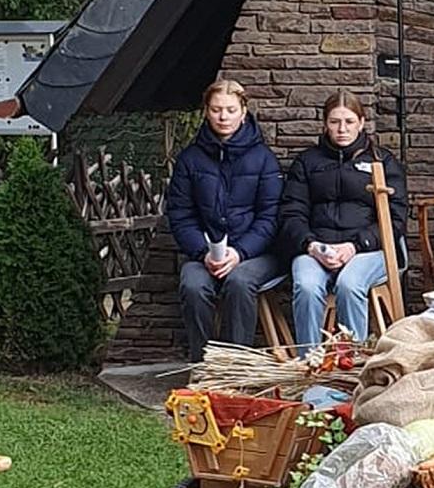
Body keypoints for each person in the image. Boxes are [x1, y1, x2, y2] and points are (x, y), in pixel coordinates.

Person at [166, 80, 283, 361]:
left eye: (231, 110)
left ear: (243, 112)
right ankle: (203, 364)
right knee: (193, 285)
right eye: (217, 109)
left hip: (256, 253)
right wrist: (203, 252)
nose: (223, 117)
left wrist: (239, 252)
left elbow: (271, 216)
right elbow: (180, 215)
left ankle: (236, 364)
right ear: (206, 111)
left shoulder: (264, 159)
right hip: (204, 253)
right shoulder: (190, 160)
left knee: (240, 282)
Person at [279, 91, 407, 347]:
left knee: (350, 284)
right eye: (335, 122)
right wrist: (311, 246)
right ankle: (310, 364)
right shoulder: (307, 162)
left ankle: (353, 362)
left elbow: (396, 218)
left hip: (369, 250)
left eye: (349, 122)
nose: (342, 129)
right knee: (306, 285)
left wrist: (355, 246)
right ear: (325, 124)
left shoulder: (382, 161)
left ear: (361, 123)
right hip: (317, 247)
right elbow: (291, 212)